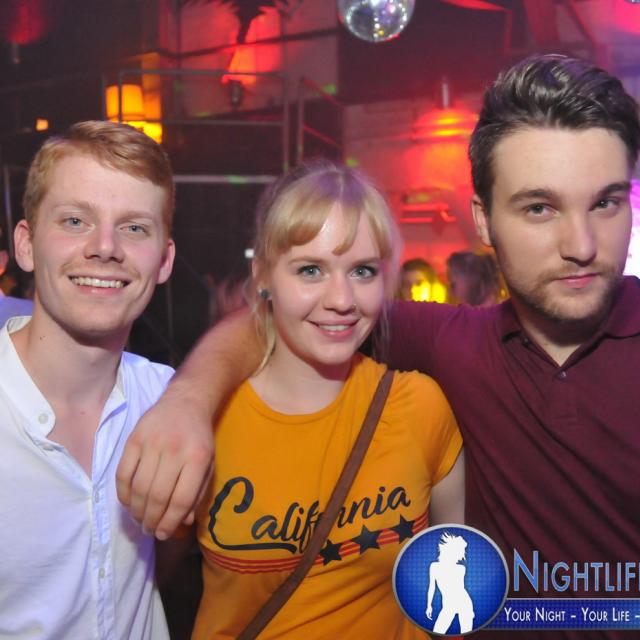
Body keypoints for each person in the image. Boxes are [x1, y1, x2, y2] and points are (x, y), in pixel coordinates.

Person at [117, 53, 640, 640]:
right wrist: (189, 400)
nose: (581, 244)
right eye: (539, 208)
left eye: (605, 202)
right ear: (484, 221)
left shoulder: (420, 394)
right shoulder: (452, 346)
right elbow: (277, 319)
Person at [181, 160, 463, 638]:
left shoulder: (421, 405)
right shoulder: (207, 418)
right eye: (310, 270)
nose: (341, 299)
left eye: (362, 271)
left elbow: (455, 579)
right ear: (263, 276)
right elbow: (149, 581)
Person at [0, 120, 176, 638]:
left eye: (135, 228)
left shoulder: (168, 399)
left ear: (164, 260)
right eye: (75, 221)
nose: (105, 247)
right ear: (27, 245)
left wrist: (194, 397)